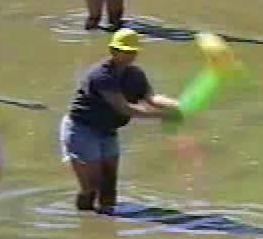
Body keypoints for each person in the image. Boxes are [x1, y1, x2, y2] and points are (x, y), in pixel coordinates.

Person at [59, 29, 182, 212]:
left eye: (133, 51)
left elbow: (151, 98)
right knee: (91, 186)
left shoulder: (136, 74)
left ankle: (107, 219)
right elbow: (124, 108)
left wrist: (177, 105)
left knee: (109, 182)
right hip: (82, 130)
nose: (129, 55)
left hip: (108, 131)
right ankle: (85, 221)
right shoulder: (101, 76)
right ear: (113, 51)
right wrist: (163, 115)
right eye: (124, 51)